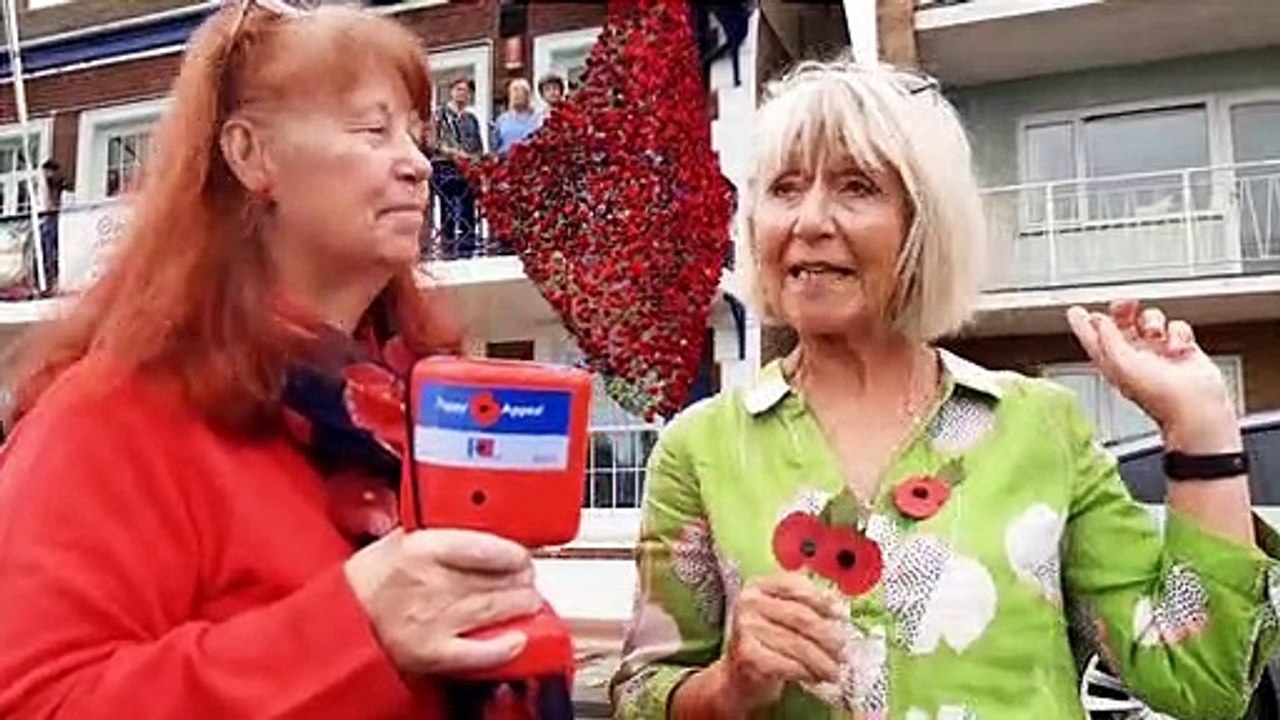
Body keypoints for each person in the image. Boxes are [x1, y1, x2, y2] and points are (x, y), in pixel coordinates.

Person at [611, 60, 1280, 719]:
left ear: (922, 224)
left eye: (856, 187)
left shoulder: (1042, 427)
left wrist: (1201, 429)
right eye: (785, 188)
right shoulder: (699, 446)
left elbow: (1200, 679)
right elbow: (643, 693)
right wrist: (728, 687)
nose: (809, 220)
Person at [0, 3, 543, 719]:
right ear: (251, 153)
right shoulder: (110, 416)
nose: (416, 163)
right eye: (373, 129)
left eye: (416, 134)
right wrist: (352, 631)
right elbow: (40, 700)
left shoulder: (413, 412)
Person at [430, 75, 485, 258]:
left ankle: (467, 252)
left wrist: (477, 162)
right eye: (459, 89)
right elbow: (433, 142)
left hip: (468, 170)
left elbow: (478, 146)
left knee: (468, 211)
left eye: (466, 91)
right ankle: (447, 251)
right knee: (448, 211)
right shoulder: (439, 115)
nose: (463, 94)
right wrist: (453, 153)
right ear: (452, 92)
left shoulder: (471, 119)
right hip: (445, 169)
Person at [491, 78, 543, 156]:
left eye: (520, 92)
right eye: (513, 92)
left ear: (527, 96)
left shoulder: (538, 118)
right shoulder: (501, 119)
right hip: (505, 162)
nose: (516, 95)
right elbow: (494, 146)